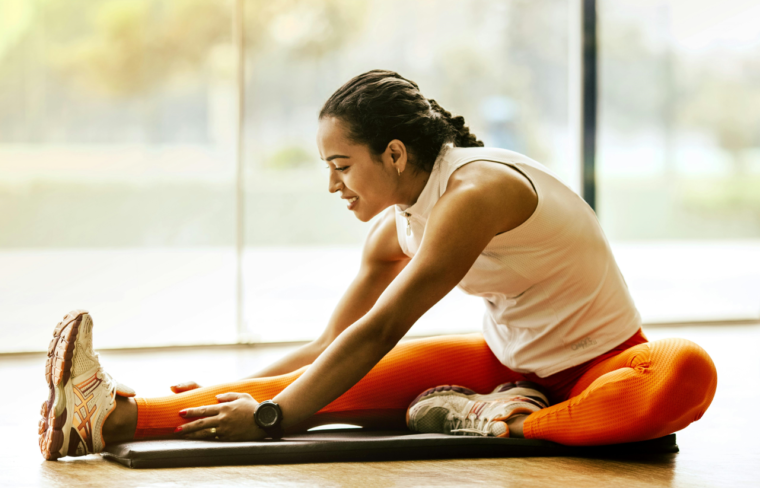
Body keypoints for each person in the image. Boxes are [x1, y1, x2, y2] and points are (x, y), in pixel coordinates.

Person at [39, 70, 717, 460]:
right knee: (315, 380)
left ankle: (500, 421)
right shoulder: (395, 228)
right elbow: (330, 348)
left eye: (342, 166)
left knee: (687, 371)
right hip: (507, 367)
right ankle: (102, 417)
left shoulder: (477, 193)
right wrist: (231, 390)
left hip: (606, 366)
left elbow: (385, 325)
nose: (334, 185)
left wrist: (277, 418)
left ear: (394, 154)